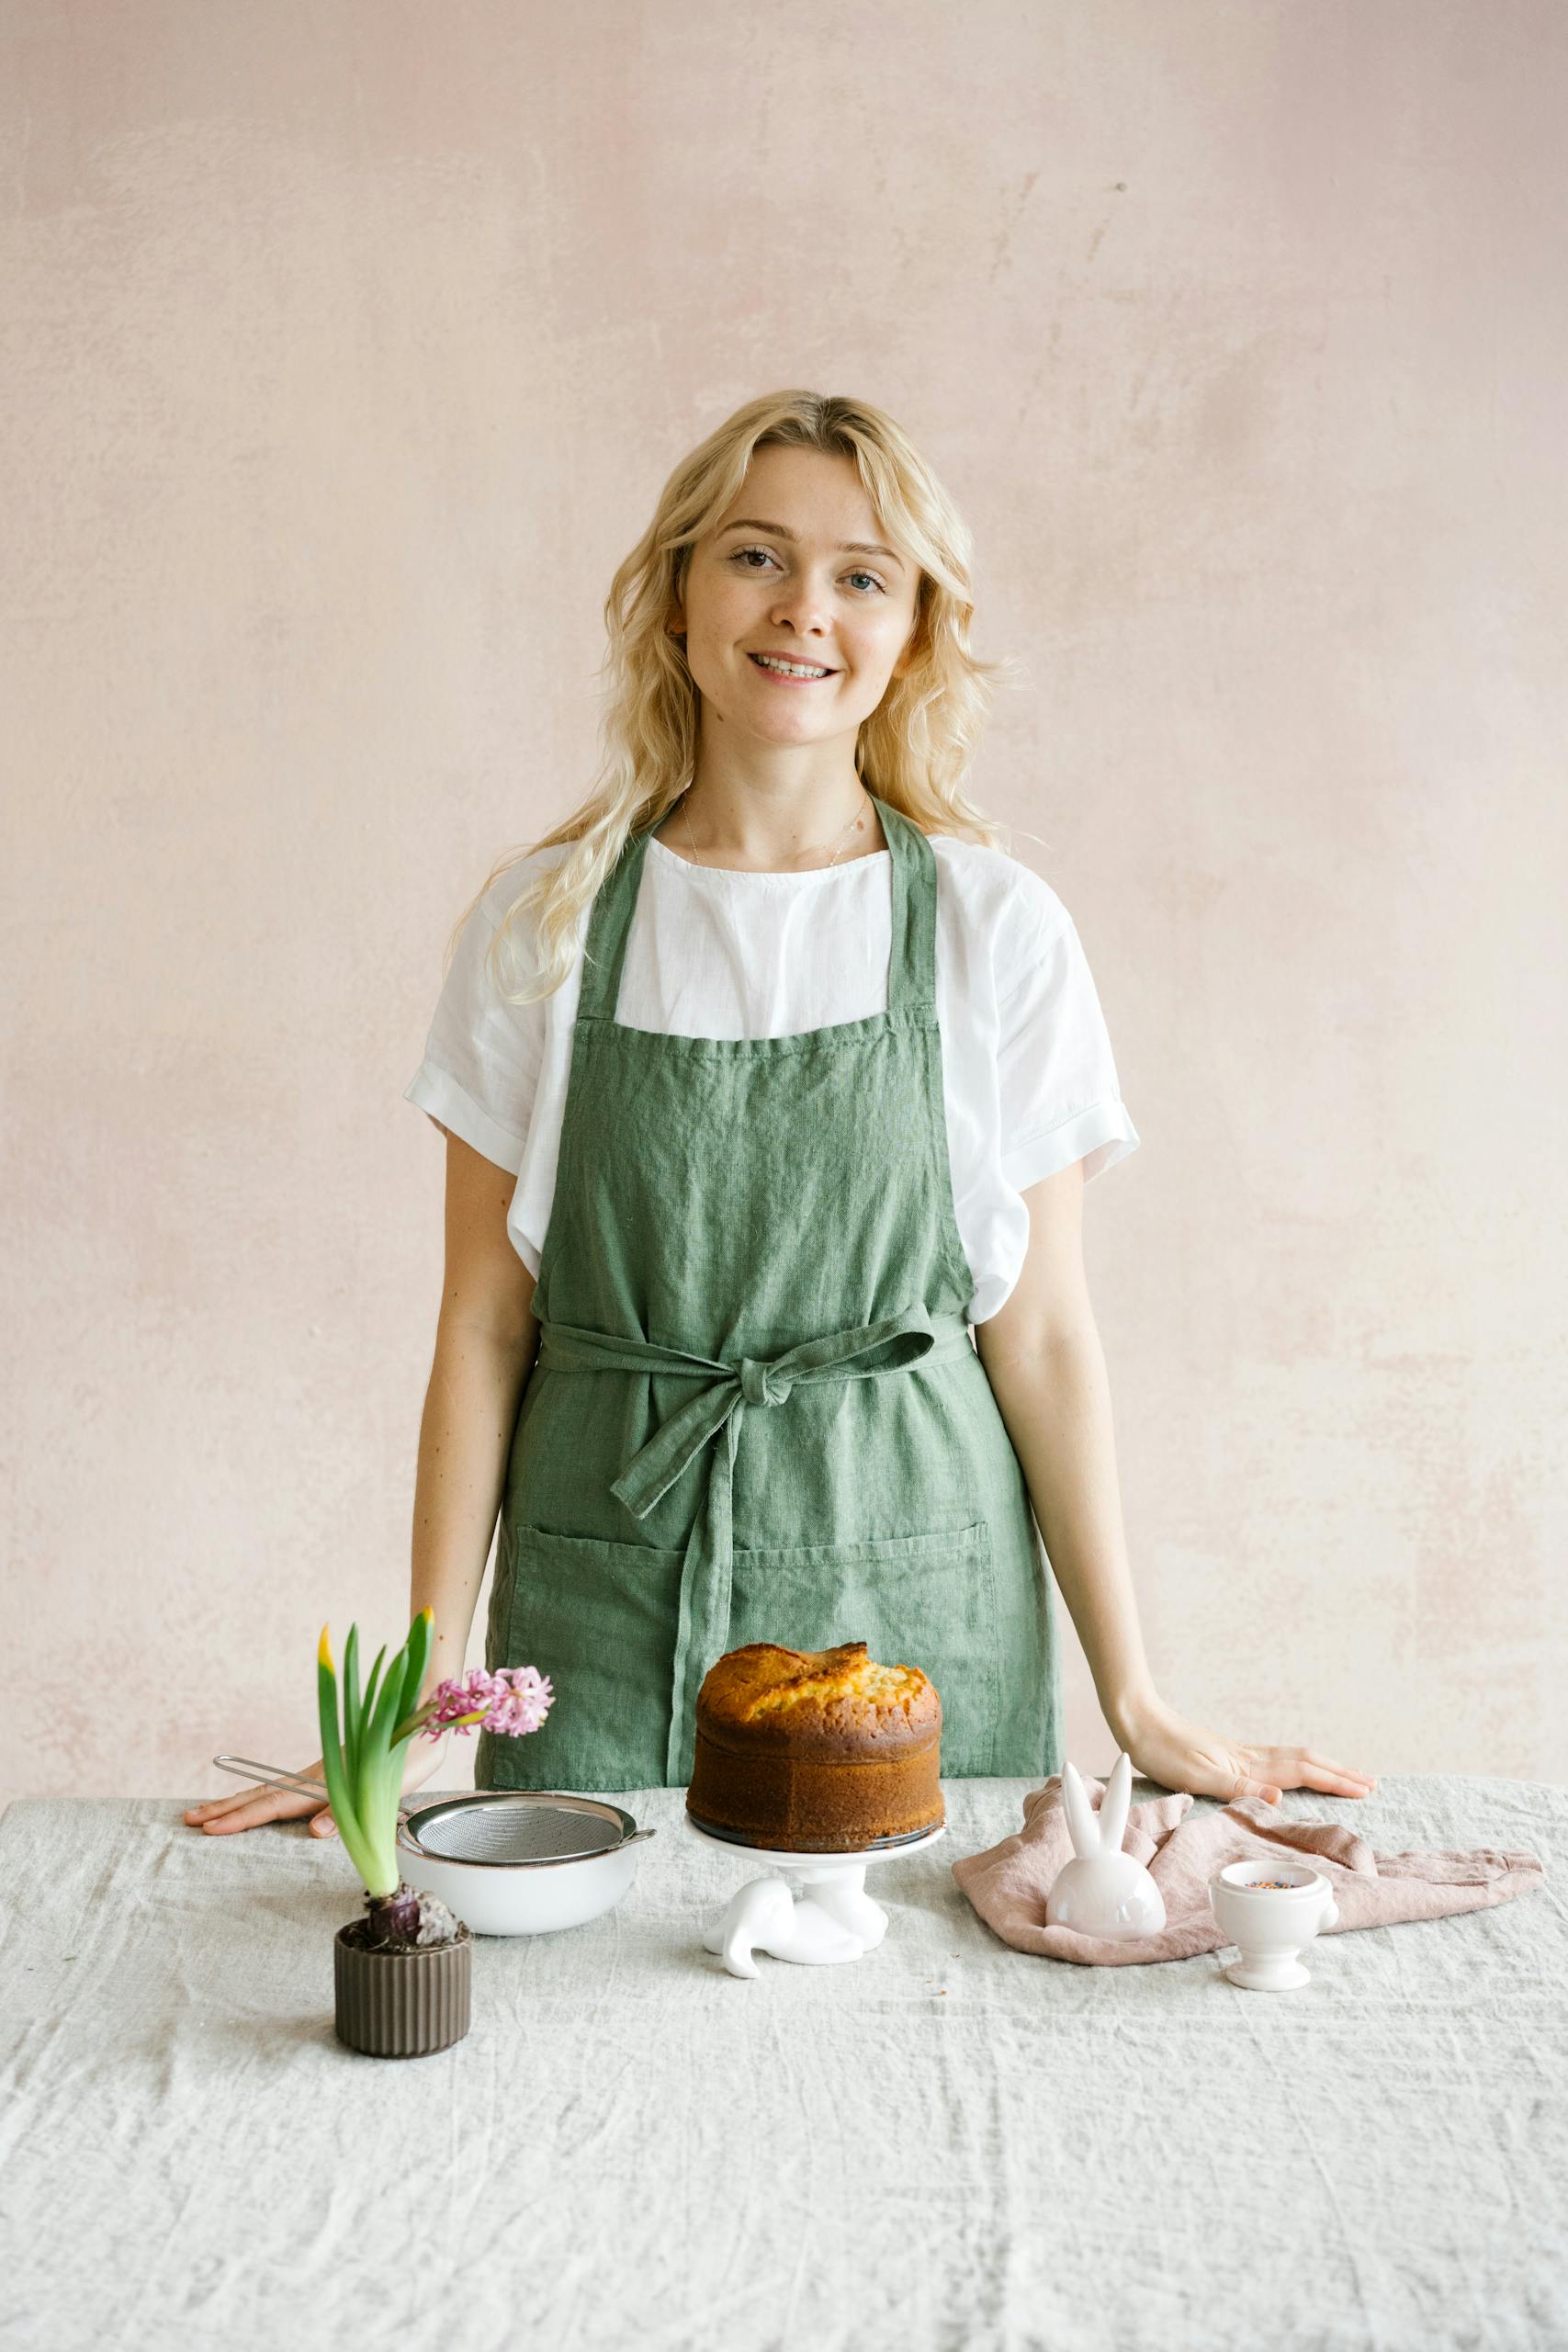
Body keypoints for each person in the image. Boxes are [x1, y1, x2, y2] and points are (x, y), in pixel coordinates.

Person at [187, 389, 1376, 1845]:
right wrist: (430, 1700)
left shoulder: (993, 930)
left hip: (918, 1596)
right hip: (607, 1594)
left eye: (862, 575)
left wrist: (1136, 1695)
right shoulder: (542, 926)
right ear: (677, 592)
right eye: (756, 555)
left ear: (915, 630)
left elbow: (1047, 1334)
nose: (803, 607)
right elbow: (486, 1327)